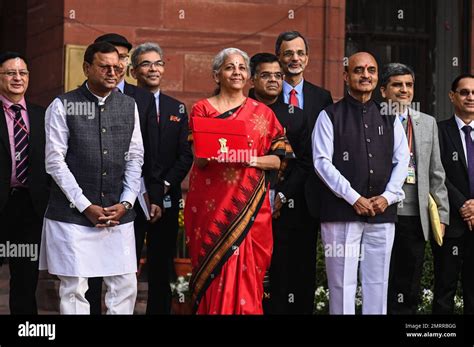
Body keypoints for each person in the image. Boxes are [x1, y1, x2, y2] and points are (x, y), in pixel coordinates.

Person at [39, 42, 144, 314]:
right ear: (87, 68)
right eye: (104, 67)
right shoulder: (63, 105)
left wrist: (127, 202)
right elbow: (55, 162)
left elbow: (134, 158)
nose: (112, 72)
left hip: (117, 213)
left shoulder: (129, 105)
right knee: (74, 289)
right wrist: (84, 206)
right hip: (72, 215)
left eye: (117, 67)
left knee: (125, 287)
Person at [185, 47, 291, 314]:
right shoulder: (203, 109)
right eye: (230, 67)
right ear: (216, 74)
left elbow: (279, 160)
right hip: (212, 207)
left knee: (247, 272)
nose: (236, 72)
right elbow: (199, 158)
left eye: (242, 68)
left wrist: (248, 159)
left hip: (251, 207)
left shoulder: (263, 114)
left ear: (248, 77)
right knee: (215, 269)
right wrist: (218, 151)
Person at [312, 52, 410, 314]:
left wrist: (388, 197)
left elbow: (402, 160)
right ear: (346, 76)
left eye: (371, 70)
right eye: (358, 70)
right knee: (341, 285)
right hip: (341, 213)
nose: (365, 75)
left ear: (377, 77)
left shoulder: (389, 115)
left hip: (382, 213)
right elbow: (322, 163)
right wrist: (353, 197)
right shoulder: (329, 115)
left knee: (378, 284)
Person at [86, 33, 159, 314]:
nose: (115, 65)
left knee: (125, 272)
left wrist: (151, 193)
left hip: (132, 197)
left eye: (122, 57)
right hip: (89, 200)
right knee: (88, 274)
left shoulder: (141, 98)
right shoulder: (76, 100)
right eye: (109, 57)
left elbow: (148, 151)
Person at [380, 63, 449, 314]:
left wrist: (441, 215)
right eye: (397, 85)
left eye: (409, 85)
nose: (404, 90)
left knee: (409, 280)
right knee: (381, 277)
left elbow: (437, 173)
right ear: (384, 91)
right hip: (381, 211)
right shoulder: (374, 119)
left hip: (415, 213)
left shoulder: (426, 122)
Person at [131, 42, 193, 314]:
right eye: (146, 63)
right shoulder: (125, 103)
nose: (153, 68)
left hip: (166, 200)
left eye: (158, 63)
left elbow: (185, 156)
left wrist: (162, 188)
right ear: (133, 71)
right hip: (131, 198)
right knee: (124, 267)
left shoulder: (177, 108)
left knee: (161, 266)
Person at [249, 52, 312, 314]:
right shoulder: (240, 110)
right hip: (245, 204)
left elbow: (306, 163)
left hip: (285, 208)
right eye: (266, 75)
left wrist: (282, 196)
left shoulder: (296, 115)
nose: (274, 80)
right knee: (249, 273)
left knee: (284, 275)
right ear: (252, 79)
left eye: (278, 75)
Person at [275, 31, 333, 313]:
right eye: (288, 53)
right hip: (268, 198)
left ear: (307, 58)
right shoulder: (260, 95)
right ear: (279, 58)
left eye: (299, 53)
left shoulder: (322, 97)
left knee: (303, 271)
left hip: (308, 199)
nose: (294, 58)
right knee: (273, 271)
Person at [0, 51, 49, 314]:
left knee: (25, 279)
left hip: (30, 208)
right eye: (10, 73)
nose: (17, 78)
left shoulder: (43, 115)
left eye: (23, 73)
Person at [435, 73, 474, 313]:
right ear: (452, 96)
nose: (471, 97)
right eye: (464, 92)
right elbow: (436, 174)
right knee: (443, 291)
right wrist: (463, 204)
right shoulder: (438, 130)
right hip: (450, 223)